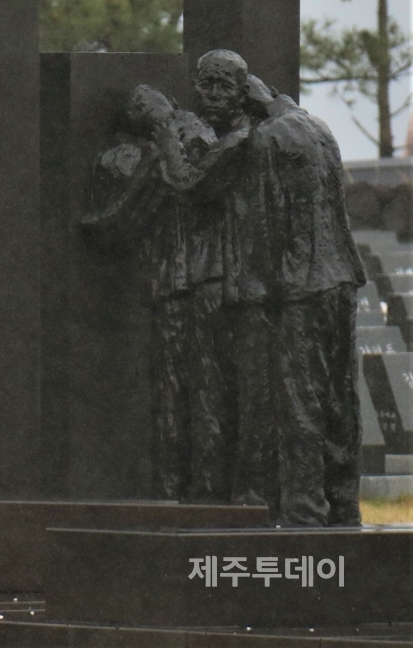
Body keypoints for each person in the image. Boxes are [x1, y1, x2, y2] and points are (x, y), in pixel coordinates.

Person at [154, 49, 366, 525]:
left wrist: (165, 127)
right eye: (204, 85)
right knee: (340, 400)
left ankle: (304, 516)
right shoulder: (315, 127)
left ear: (244, 91)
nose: (209, 97)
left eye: (221, 87)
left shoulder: (249, 141)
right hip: (341, 280)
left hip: (300, 287)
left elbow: (188, 183)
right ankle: (343, 508)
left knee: (299, 400)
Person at [82, 85, 235, 500]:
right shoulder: (124, 159)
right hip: (180, 283)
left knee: (203, 391)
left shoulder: (195, 138)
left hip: (197, 282)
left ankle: (201, 493)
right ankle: (180, 492)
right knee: (180, 393)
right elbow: (112, 226)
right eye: (137, 105)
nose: (144, 106)